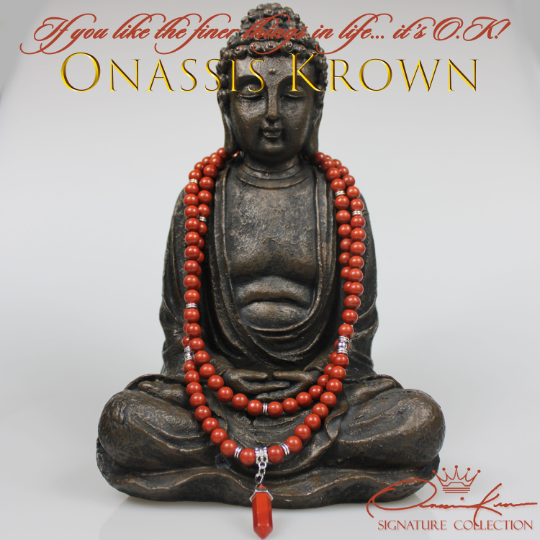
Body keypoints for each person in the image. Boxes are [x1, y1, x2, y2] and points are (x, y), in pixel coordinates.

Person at [97, 4, 445, 507]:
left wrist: (323, 377)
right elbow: (178, 328)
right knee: (125, 420)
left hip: (322, 398)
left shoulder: (341, 200)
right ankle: (283, 464)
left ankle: (240, 467)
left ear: (318, 108)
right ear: (225, 106)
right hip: (217, 397)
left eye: (293, 96)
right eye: (252, 95)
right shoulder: (201, 198)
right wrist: (216, 376)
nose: (274, 114)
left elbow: (359, 329)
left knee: (419, 421)